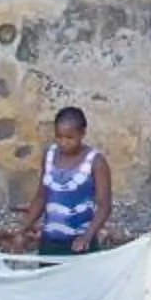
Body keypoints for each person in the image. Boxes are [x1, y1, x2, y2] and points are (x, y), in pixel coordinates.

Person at [15, 105, 112, 256]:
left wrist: (87, 236)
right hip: (50, 242)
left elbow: (104, 206)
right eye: (59, 137)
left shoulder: (95, 162)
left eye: (69, 138)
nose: (63, 142)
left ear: (82, 133)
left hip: (79, 244)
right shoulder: (49, 155)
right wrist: (23, 228)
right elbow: (41, 197)